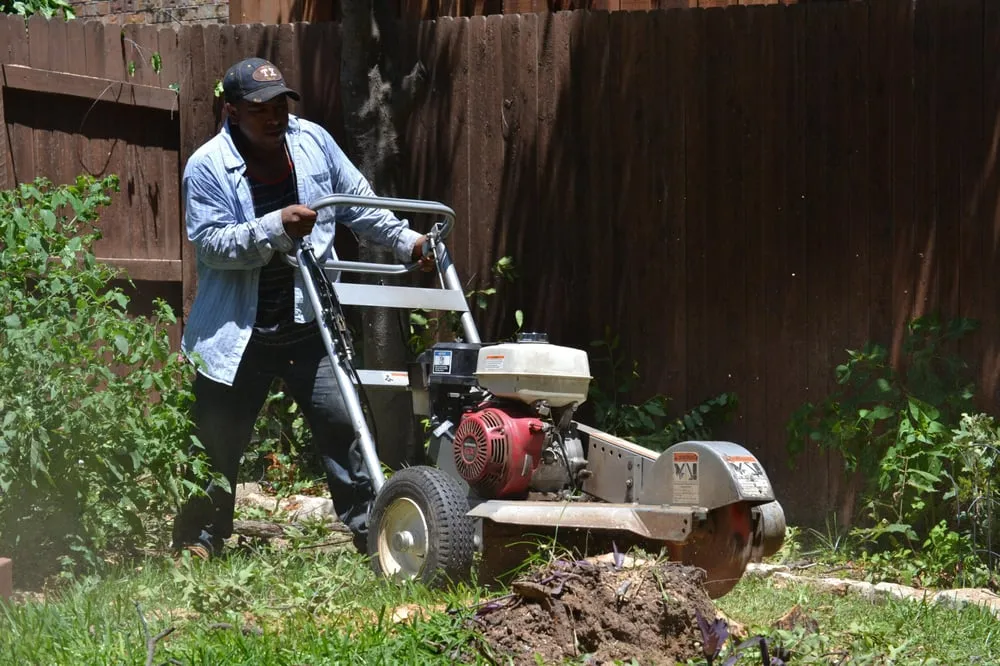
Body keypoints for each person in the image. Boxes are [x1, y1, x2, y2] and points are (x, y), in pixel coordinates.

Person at [171, 57, 429, 558]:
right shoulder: (206, 167)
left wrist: (409, 243)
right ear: (232, 110)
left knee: (345, 427)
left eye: (280, 106)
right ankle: (200, 540)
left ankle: (374, 538)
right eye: (259, 108)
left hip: (309, 325)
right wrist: (275, 226)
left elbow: (358, 202)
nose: (274, 117)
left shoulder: (313, 143)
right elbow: (210, 245)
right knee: (216, 440)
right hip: (237, 332)